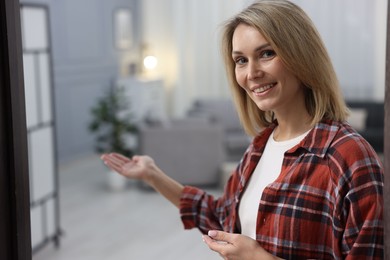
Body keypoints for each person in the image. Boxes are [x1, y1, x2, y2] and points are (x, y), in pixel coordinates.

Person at [101, 0, 384, 259]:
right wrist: (152, 175)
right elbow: (217, 215)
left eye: (267, 53)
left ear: (303, 55)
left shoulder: (349, 157)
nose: (251, 74)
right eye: (241, 60)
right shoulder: (260, 146)